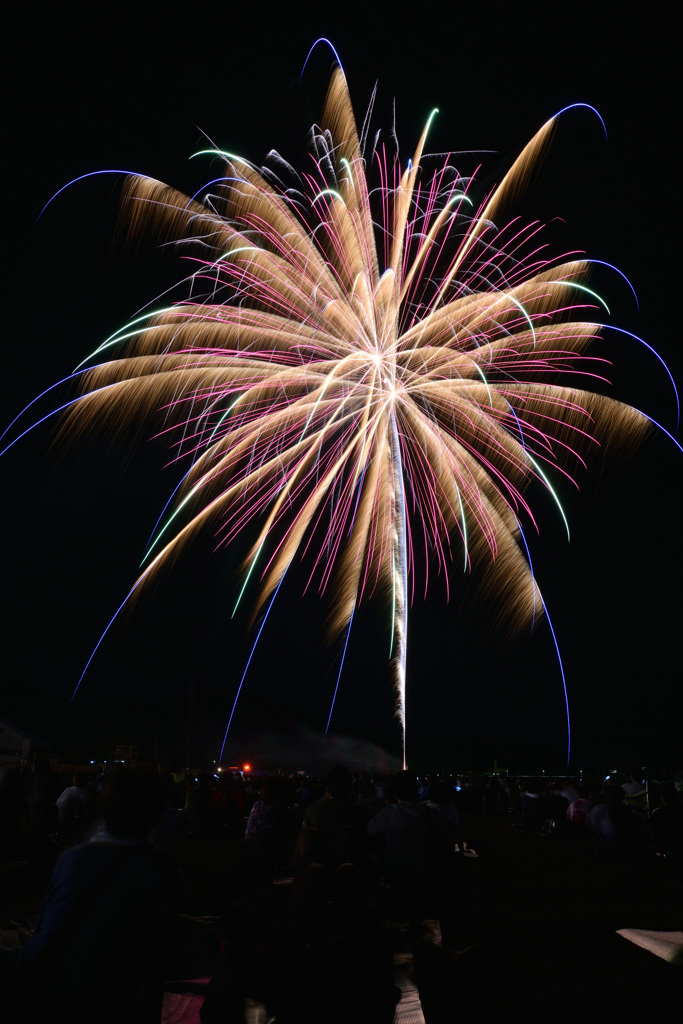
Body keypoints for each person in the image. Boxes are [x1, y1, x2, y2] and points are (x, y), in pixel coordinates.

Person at [5, 765, 181, 1024]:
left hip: (53, 990)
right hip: (113, 1001)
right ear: (155, 814)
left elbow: (43, 929)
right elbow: (155, 957)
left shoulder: (71, 859)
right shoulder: (163, 870)